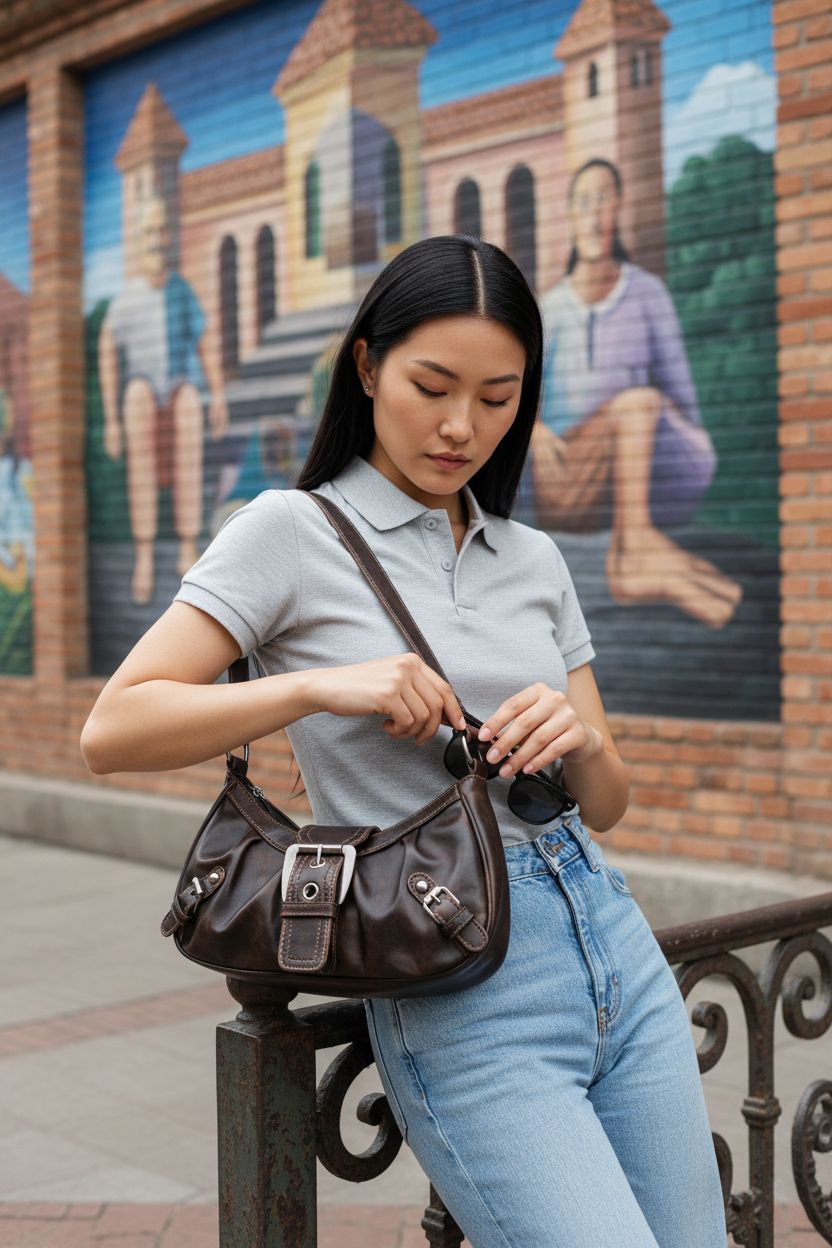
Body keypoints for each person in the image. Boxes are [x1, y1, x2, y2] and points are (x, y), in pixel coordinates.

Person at [80, 234, 728, 1248]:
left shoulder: (534, 555)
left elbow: (608, 803)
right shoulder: (288, 532)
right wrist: (320, 685)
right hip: (463, 986)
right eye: (432, 385)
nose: (461, 425)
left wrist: (585, 743)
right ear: (368, 364)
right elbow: (113, 729)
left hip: (615, 946)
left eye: (498, 396)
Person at [533, 157, 742, 630]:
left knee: (724, 595)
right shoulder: (548, 311)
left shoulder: (648, 295)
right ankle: (635, 551)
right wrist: (534, 428)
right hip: (567, 480)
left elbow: (684, 401)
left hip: (633, 481)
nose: (594, 213)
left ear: (619, 210)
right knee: (638, 402)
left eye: (605, 200)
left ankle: (647, 550)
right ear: (568, 215)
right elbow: (508, 398)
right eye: (584, 201)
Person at [98, 195, 229, 605]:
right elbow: (107, 346)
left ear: (169, 236)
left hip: (177, 388)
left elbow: (205, 342)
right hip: (142, 388)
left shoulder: (181, 291)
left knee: (190, 401)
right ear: (139, 240)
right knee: (136, 399)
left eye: (161, 231)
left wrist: (219, 396)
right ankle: (145, 553)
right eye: (148, 232)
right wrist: (111, 420)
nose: (156, 239)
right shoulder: (128, 298)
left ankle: (188, 542)